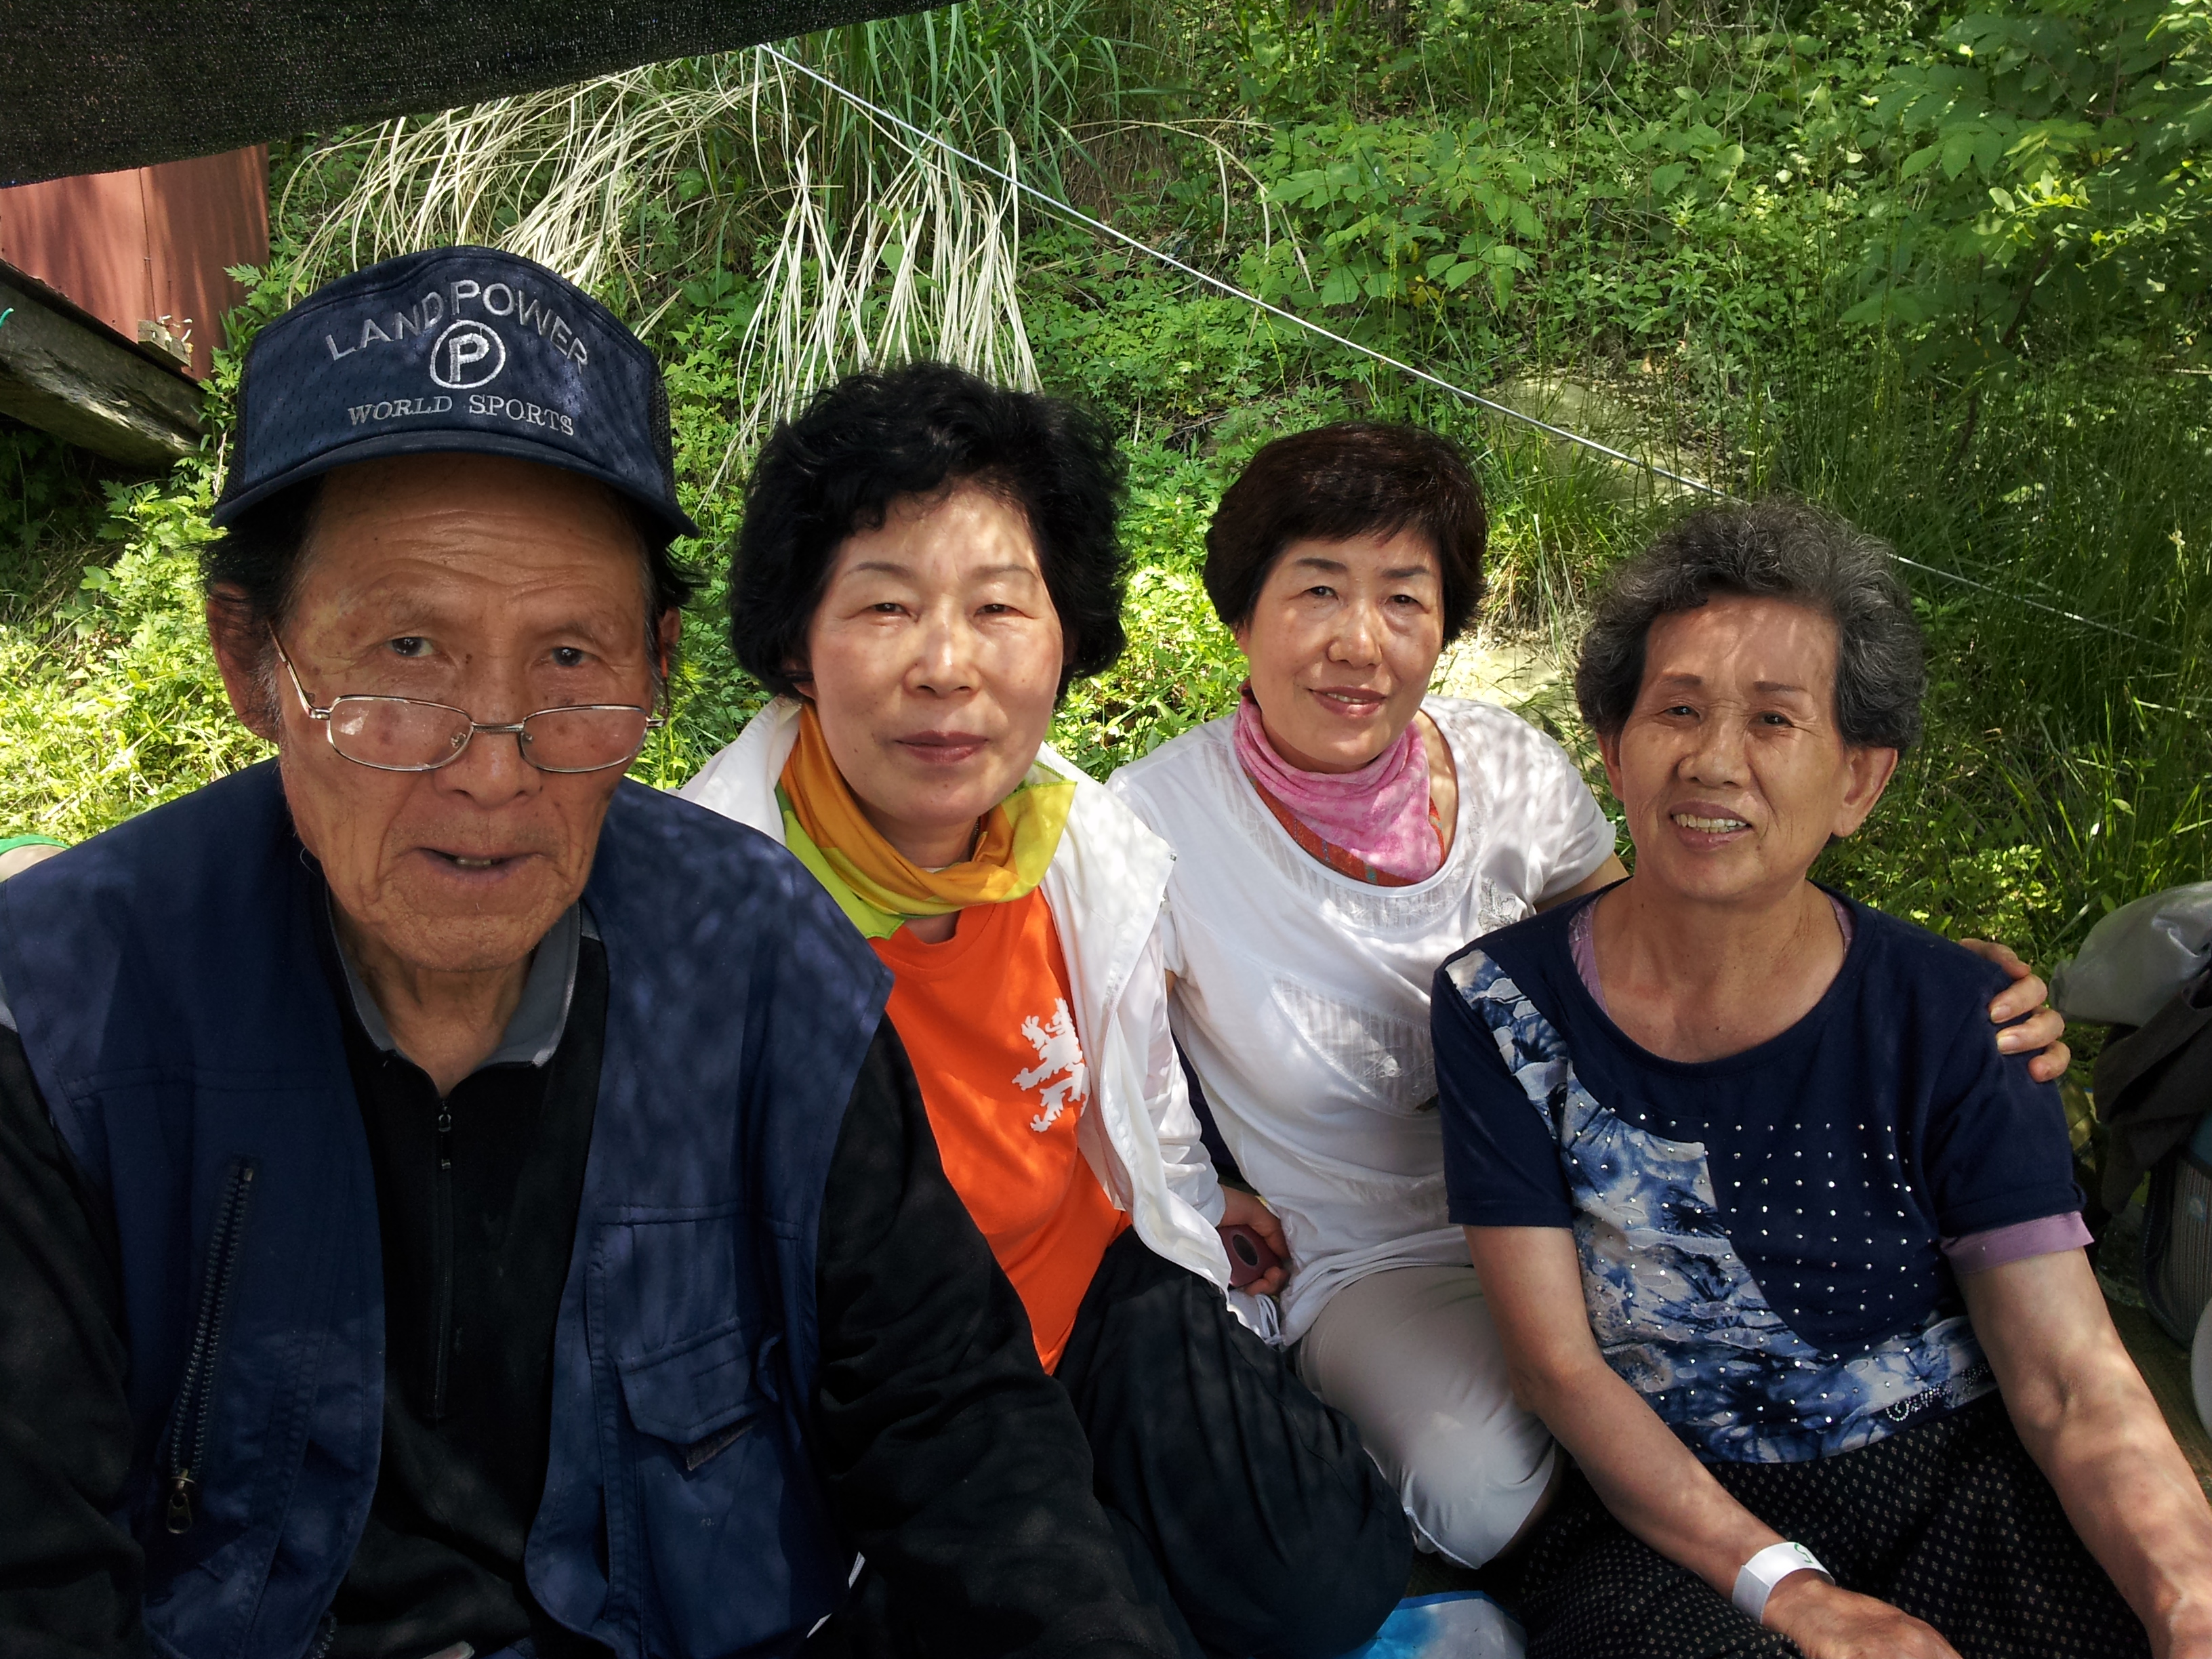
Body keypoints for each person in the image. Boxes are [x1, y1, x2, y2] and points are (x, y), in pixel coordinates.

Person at [0, 249, 1185, 1659]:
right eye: (407, 651)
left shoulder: (758, 961)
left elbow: (957, 1424)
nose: (493, 767)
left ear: (659, 664)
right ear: (250, 660)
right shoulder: (61, 1017)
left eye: (571, 660)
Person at [1106, 424, 2070, 1572]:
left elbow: (1665, 940)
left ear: (1446, 626)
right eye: (1317, 590)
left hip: (1598, 1207)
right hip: (1380, 1248)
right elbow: (1104, 1067)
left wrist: (1922, 994)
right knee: (1478, 1486)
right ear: (1239, 614)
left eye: (1404, 598)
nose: (1358, 642)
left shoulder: (1508, 767)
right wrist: (1190, 1192)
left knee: (1747, 1388)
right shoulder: (1153, 826)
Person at [680, 363, 1413, 1659]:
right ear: (796, 644)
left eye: (998, 608)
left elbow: (1129, 1087)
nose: (946, 667)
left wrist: (1192, 1197)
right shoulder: (708, 905)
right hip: (894, 1386)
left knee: (1332, 1581)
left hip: (1089, 1287)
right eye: (886, 606)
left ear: (1064, 636)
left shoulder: (1075, 840)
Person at [1435, 499, 2212, 1659]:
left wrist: (2189, 1601)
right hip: (1677, 1515)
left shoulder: (1958, 1016)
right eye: (1678, 709)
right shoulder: (1503, 1008)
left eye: (1774, 719)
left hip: (1955, 1477)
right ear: (1612, 748)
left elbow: (2067, 1377)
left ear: (1859, 781)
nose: (1714, 760)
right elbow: (1558, 1368)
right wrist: (1794, 1594)